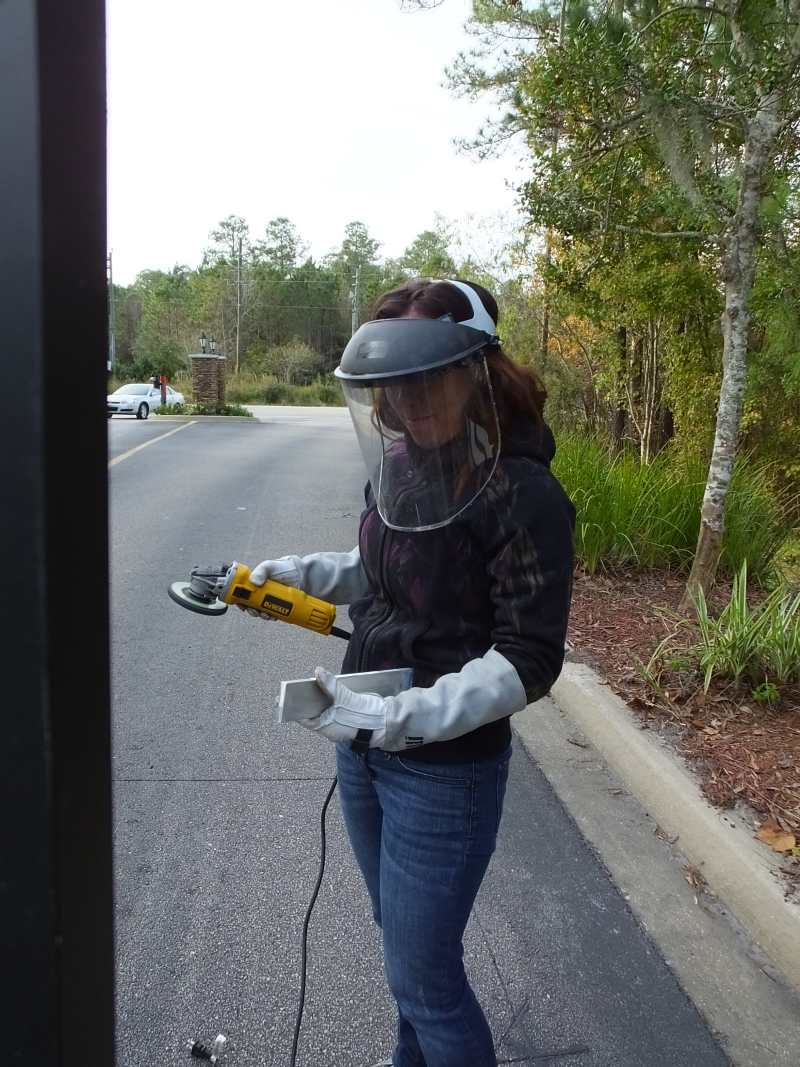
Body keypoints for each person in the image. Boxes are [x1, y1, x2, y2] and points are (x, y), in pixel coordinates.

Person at [246, 278, 575, 1067]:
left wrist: (408, 718)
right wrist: (269, 577)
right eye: (395, 381)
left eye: (430, 374)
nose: (412, 396)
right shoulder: (403, 466)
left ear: (477, 370)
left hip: (442, 771)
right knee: (407, 962)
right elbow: (374, 568)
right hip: (362, 744)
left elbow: (530, 657)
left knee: (426, 980)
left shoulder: (523, 492)